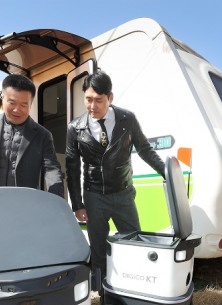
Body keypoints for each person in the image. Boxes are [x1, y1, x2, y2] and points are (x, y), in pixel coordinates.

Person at [66, 70, 165, 288]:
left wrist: (166, 172)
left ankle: (135, 289)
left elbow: (145, 149)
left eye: (98, 100)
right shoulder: (75, 128)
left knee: (134, 242)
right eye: (88, 99)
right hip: (94, 197)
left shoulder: (127, 119)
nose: (92, 106)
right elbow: (72, 168)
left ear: (110, 98)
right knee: (98, 249)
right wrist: (77, 204)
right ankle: (102, 293)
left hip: (123, 194)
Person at [0, 74, 64, 196]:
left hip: (24, 202)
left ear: (31, 103)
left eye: (24, 105)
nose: (17, 110)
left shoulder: (43, 135)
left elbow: (52, 169)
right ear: (2, 98)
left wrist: (56, 199)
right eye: (12, 102)